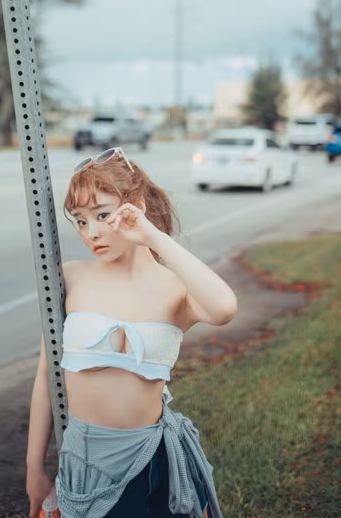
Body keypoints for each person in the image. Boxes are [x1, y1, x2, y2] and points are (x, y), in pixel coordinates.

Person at [26, 146, 238, 518]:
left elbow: (223, 308)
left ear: (133, 208)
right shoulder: (69, 277)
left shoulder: (173, 288)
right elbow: (46, 376)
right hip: (86, 463)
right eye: (79, 221)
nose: (91, 232)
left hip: (152, 459)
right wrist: (34, 469)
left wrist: (153, 237)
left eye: (102, 215)